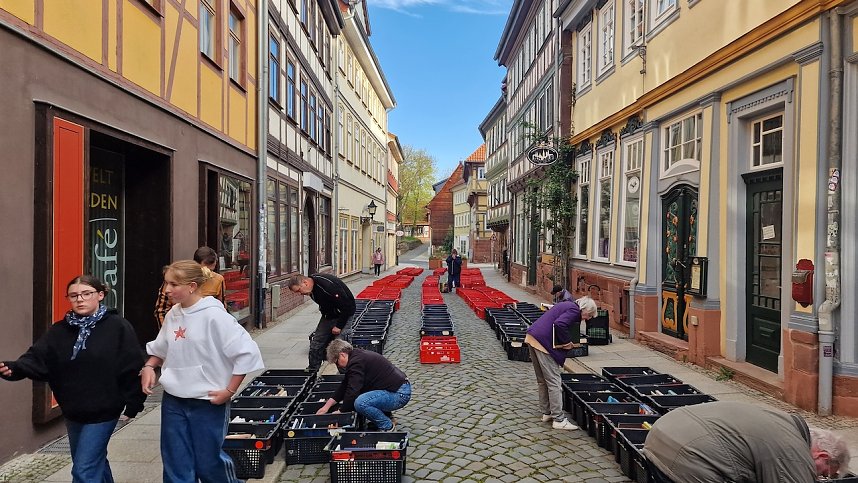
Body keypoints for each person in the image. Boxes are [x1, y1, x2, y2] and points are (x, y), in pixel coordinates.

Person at [1, 275, 146, 483]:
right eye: (74, 295)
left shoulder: (118, 327)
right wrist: (14, 368)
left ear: (100, 295)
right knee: (92, 462)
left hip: (104, 410)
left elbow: (131, 366)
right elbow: (38, 357)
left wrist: (134, 403)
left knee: (84, 470)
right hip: (73, 410)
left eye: (86, 294)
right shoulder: (59, 331)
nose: (80, 299)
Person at [141, 260, 264, 483]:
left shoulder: (215, 316)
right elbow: (162, 348)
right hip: (174, 400)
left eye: (173, 284)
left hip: (208, 400)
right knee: (175, 461)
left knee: (209, 462)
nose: (167, 289)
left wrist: (229, 391)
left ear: (192, 286)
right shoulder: (173, 314)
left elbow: (246, 352)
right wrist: (150, 366)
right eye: (166, 283)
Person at [643, 401, 851, 482]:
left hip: (660, 437)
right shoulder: (794, 454)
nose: (818, 478)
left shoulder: (784, 422)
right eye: (824, 474)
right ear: (822, 456)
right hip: (685, 458)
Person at [525, 295, 597, 430]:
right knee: (554, 381)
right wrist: (566, 342)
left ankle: (547, 412)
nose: (588, 318)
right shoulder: (574, 310)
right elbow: (560, 324)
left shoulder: (566, 305)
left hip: (533, 337)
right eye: (589, 315)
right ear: (585, 309)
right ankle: (558, 419)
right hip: (543, 343)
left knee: (542, 380)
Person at [316, 339, 411, 432]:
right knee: (365, 392)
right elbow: (345, 386)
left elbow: (353, 391)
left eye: (337, 362)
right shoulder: (356, 356)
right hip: (397, 388)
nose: (338, 366)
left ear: (342, 355)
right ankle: (388, 417)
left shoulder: (356, 362)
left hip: (399, 394)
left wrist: (341, 411)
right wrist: (326, 406)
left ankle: (388, 427)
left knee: (360, 403)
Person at [287, 273, 357, 373]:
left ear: (305, 283)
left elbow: (347, 307)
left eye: (299, 290)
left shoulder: (328, 286)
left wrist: (339, 326)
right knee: (317, 342)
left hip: (344, 314)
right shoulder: (310, 289)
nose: (300, 294)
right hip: (328, 315)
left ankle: (345, 373)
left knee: (340, 346)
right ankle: (312, 370)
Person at [153, 246, 226, 327]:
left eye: (211, 270)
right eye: (205, 270)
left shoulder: (218, 280)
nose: (208, 274)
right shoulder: (177, 278)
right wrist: (168, 331)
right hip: (179, 327)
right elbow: (162, 310)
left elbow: (221, 308)